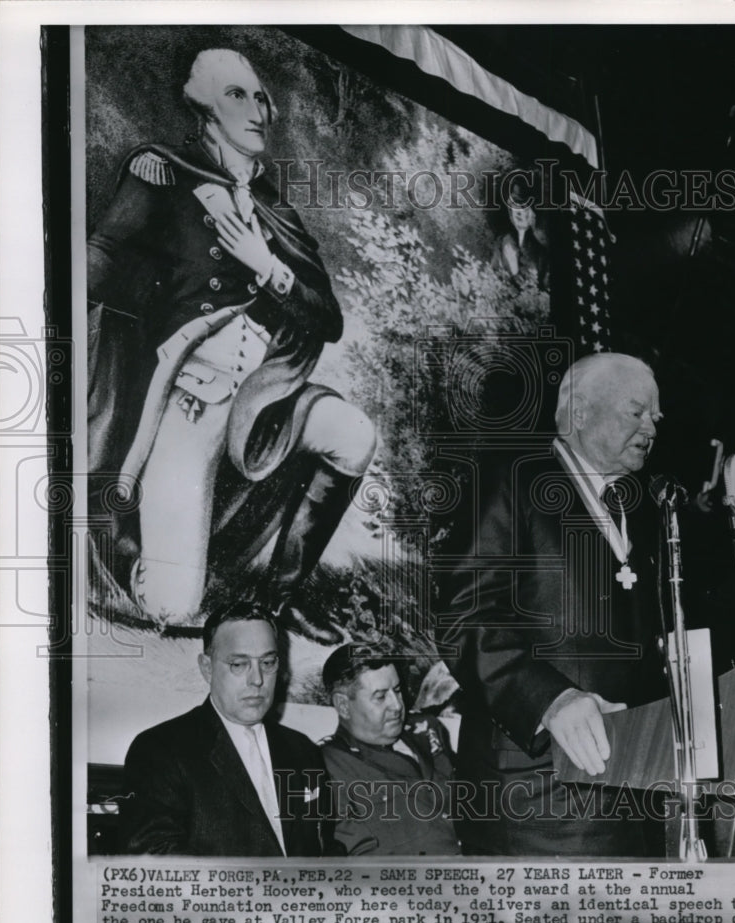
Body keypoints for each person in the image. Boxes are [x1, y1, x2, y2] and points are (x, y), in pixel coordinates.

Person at [87, 48, 376, 640]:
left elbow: (327, 319)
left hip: (263, 398)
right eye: (237, 95)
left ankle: (280, 596)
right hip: (187, 398)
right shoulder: (161, 173)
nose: (259, 110)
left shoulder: (276, 211)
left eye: (262, 97)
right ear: (203, 108)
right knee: (172, 608)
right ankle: (120, 549)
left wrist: (265, 264)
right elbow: (101, 256)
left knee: (356, 436)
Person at [434, 352, 668, 856]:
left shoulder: (638, 506)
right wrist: (551, 699)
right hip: (536, 798)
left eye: (656, 416)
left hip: (629, 792)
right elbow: (464, 616)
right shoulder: (511, 478)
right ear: (579, 412)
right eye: (637, 411)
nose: (652, 424)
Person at [121, 602, 331, 856]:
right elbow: (156, 864)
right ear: (206, 668)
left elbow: (322, 848)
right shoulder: (160, 749)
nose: (257, 680)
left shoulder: (303, 751)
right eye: (238, 664)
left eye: (267, 662)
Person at [320, 645, 461, 856]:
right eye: (380, 696)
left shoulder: (427, 729)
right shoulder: (330, 767)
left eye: (397, 690)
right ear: (343, 705)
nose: (397, 705)